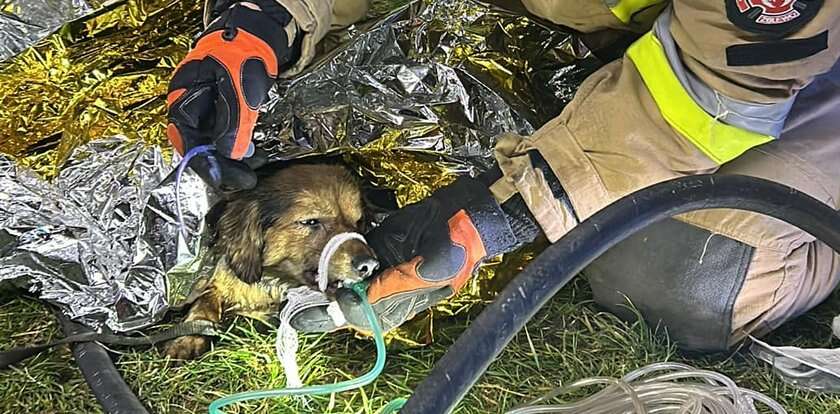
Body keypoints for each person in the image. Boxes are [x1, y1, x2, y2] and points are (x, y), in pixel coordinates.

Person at [166, 0, 840, 352]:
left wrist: (502, 214)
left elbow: (708, 97)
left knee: (684, 273)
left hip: (774, 69)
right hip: (637, 39)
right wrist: (262, 20)